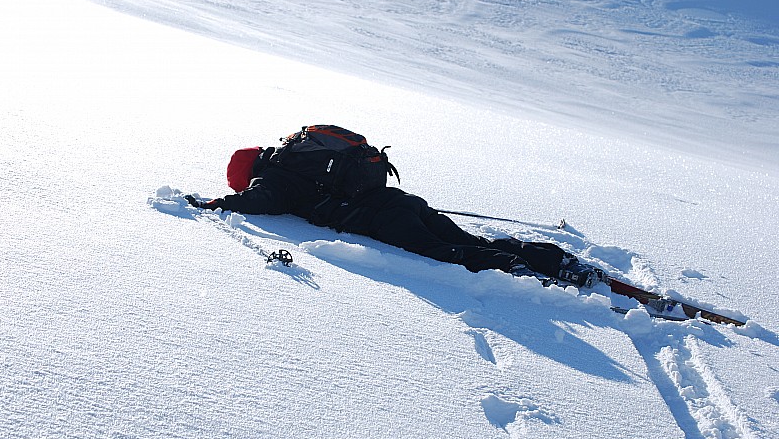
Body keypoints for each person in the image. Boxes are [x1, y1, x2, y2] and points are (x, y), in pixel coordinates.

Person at [186, 145, 600, 286]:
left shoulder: (276, 181)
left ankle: (514, 270)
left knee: (446, 252)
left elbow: (259, 201)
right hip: (401, 200)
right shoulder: (301, 156)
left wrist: (216, 205)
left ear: (250, 175)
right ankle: (550, 257)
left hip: (382, 220)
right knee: (475, 241)